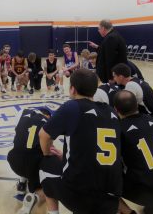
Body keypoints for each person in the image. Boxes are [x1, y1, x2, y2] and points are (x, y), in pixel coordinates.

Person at [38, 69, 122, 214]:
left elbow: (43, 135)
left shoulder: (72, 107)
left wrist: (47, 152)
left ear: (72, 89)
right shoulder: (111, 111)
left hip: (81, 199)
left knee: (46, 163)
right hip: (112, 198)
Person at [114, 90, 153, 214]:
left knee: (101, 180)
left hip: (146, 193)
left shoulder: (118, 129)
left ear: (116, 110)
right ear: (137, 105)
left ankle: (129, 212)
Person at [7, 107, 53, 214]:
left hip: (13, 161)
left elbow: (19, 136)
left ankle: (22, 184)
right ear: (48, 116)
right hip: (32, 166)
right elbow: (47, 149)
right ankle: (35, 197)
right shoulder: (48, 123)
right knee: (46, 159)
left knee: (23, 148)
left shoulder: (22, 112)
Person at [112, 63, 153, 133]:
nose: (114, 79)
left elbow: (126, 110)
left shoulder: (130, 86)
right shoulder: (137, 80)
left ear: (121, 77)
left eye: (114, 76)